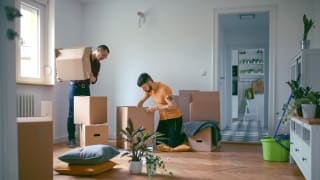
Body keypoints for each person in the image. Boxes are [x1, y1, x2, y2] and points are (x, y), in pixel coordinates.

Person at [59, 45, 109, 147]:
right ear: (98, 50)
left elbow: (95, 80)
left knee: (86, 115)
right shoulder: (83, 57)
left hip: (86, 88)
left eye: (105, 57)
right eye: (103, 55)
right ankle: (71, 139)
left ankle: (85, 138)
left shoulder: (98, 64)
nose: (104, 58)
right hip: (75, 87)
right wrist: (62, 75)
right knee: (72, 114)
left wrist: (92, 78)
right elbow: (70, 69)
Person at [137, 73, 183, 148]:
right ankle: (173, 136)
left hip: (174, 119)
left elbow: (173, 106)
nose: (144, 90)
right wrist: (136, 111)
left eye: (144, 87)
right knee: (158, 143)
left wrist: (157, 107)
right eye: (142, 88)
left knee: (172, 146)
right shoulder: (149, 90)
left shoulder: (164, 89)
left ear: (149, 82)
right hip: (163, 119)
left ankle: (182, 136)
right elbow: (141, 101)